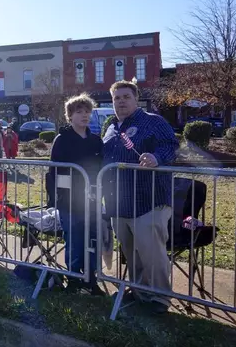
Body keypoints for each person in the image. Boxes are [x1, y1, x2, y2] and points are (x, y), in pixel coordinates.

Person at [102, 80, 179, 314]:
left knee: (151, 252)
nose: (121, 101)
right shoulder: (111, 128)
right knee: (131, 253)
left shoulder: (153, 121)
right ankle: (139, 291)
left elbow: (172, 145)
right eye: (117, 98)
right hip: (120, 203)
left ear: (136, 99)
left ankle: (160, 299)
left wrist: (157, 158)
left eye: (126, 97)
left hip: (149, 200)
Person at [48, 93, 104, 295]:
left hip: (93, 199)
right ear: (70, 116)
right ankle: (73, 278)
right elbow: (53, 171)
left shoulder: (96, 140)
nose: (84, 115)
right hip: (70, 200)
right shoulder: (62, 140)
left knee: (93, 239)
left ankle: (91, 279)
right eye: (79, 112)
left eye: (87, 111)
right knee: (74, 239)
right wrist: (54, 199)